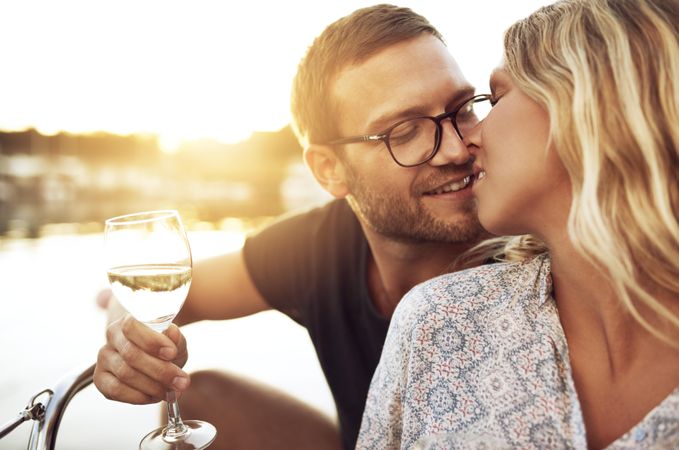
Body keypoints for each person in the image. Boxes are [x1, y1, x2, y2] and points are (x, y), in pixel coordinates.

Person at [93, 4, 495, 449]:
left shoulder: (528, 245)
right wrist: (129, 343)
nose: (457, 150)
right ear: (329, 170)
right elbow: (161, 292)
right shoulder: (317, 245)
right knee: (202, 397)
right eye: (404, 131)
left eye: (462, 109)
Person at [357, 0, 679, 448]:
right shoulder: (442, 321)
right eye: (406, 129)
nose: (463, 143)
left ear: (593, 105)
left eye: (493, 99)